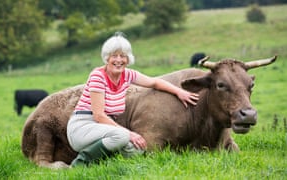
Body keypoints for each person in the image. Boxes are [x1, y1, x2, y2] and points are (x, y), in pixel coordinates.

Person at [67, 32, 199, 167]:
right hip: (82, 127)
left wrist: (179, 92)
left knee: (137, 150)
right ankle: (78, 164)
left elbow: (154, 82)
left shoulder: (128, 74)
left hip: (103, 129)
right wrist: (130, 134)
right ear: (107, 58)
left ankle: (104, 165)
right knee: (122, 137)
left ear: (128, 58)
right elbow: (99, 116)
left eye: (123, 56)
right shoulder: (98, 76)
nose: (119, 60)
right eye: (114, 56)